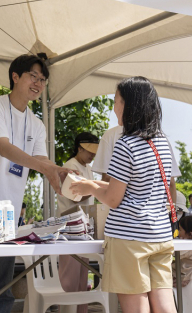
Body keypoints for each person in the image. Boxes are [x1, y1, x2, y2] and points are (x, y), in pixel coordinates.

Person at [0, 54, 72, 313]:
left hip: (5, 212)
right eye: (33, 76)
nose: (39, 83)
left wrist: (59, 172)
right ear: (15, 77)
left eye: (43, 80)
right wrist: (46, 168)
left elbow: (41, 159)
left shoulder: (37, 124)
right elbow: (4, 148)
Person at [70, 76, 178, 313]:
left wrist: (89, 187)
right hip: (160, 234)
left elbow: (113, 198)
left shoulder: (125, 144)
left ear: (130, 105)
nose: (114, 107)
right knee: (164, 303)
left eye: (117, 100)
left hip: (129, 237)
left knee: (136, 306)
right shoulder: (162, 142)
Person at [57, 132, 100, 313]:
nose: (92, 155)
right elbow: (75, 197)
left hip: (83, 229)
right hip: (69, 229)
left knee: (83, 278)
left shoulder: (87, 168)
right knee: (69, 278)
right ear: (79, 148)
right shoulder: (70, 166)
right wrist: (97, 188)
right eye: (89, 151)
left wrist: (95, 188)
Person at [92, 125, 180, 203]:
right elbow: (171, 183)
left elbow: (107, 179)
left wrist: (91, 188)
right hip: (160, 217)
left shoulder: (114, 137)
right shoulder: (161, 139)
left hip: (124, 216)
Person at [172, 215, 192, 287]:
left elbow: (172, 253)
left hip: (182, 278)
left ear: (190, 234)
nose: (178, 232)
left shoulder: (188, 246)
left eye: (180, 229)